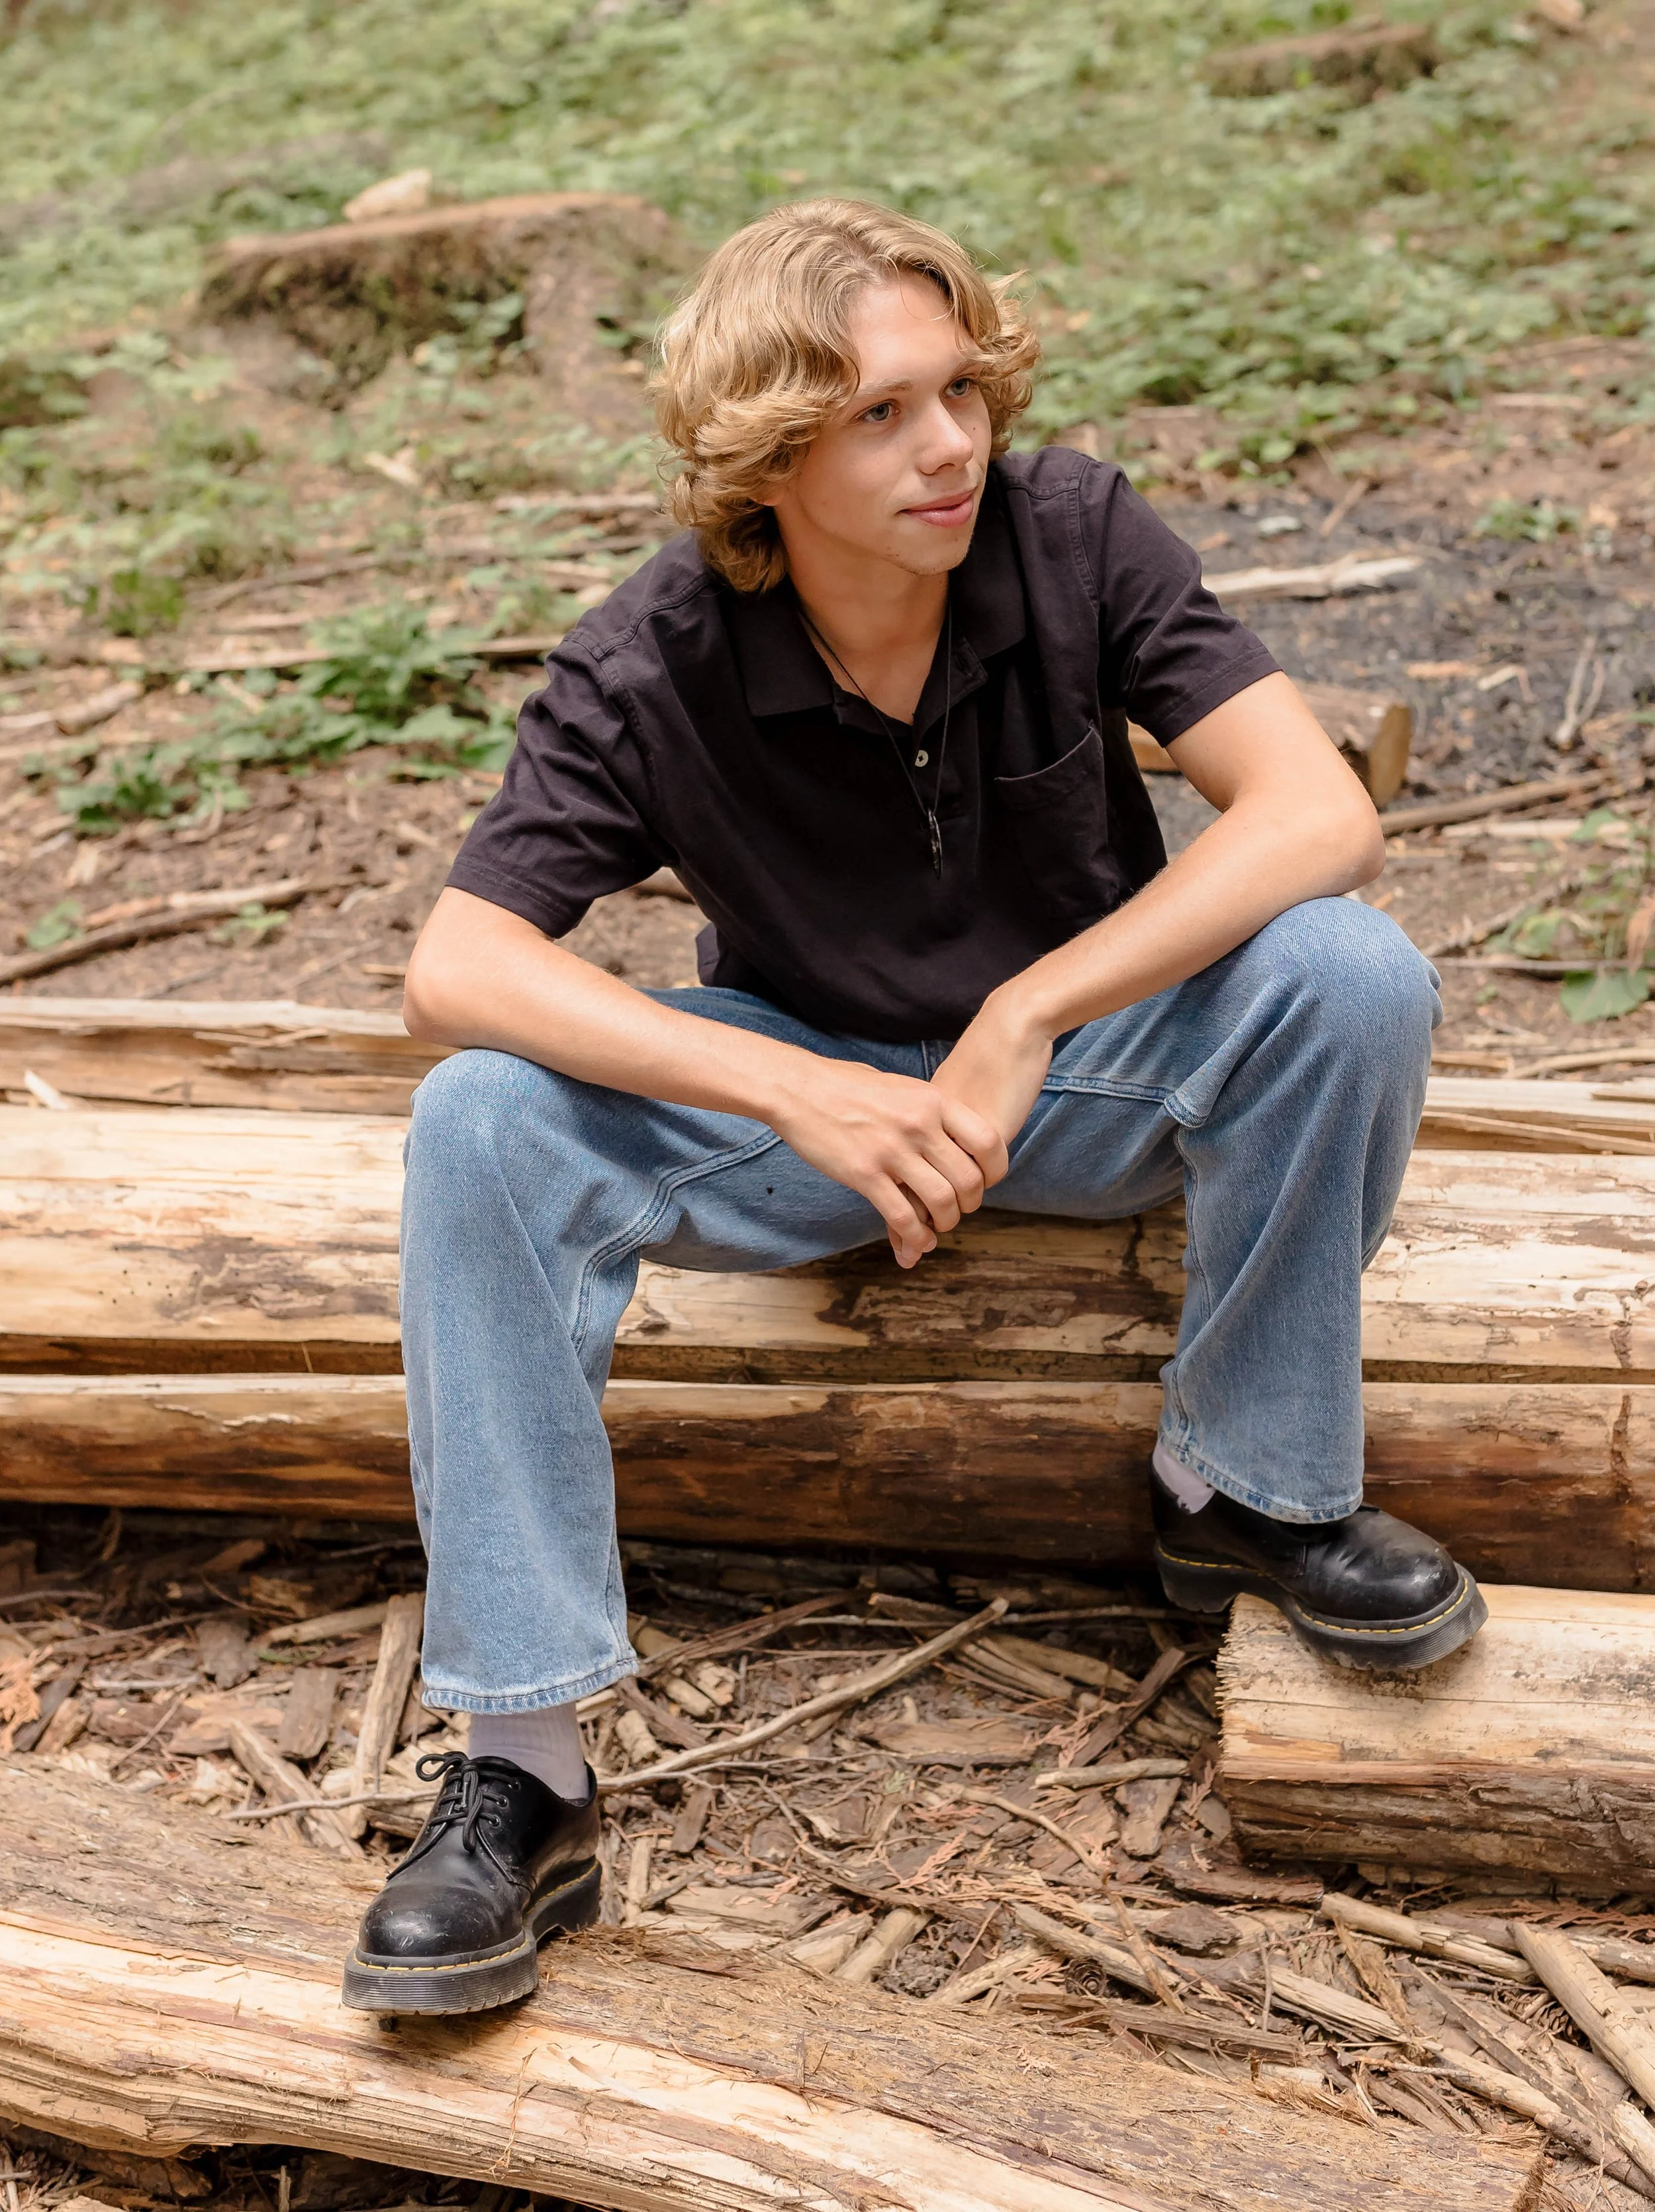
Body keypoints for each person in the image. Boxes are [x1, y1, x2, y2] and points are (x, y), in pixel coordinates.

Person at [340, 197, 1485, 2016]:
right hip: (807, 1132)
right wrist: (792, 1086)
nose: (948, 443)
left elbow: (1312, 811)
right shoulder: (649, 655)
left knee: (1350, 967)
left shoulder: (1072, 532)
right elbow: (458, 965)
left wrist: (1033, 1008)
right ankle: (526, 1768)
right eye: (879, 413)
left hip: (1082, 1087)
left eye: (957, 389)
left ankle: (1242, 1483)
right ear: (767, 449)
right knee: (481, 1113)